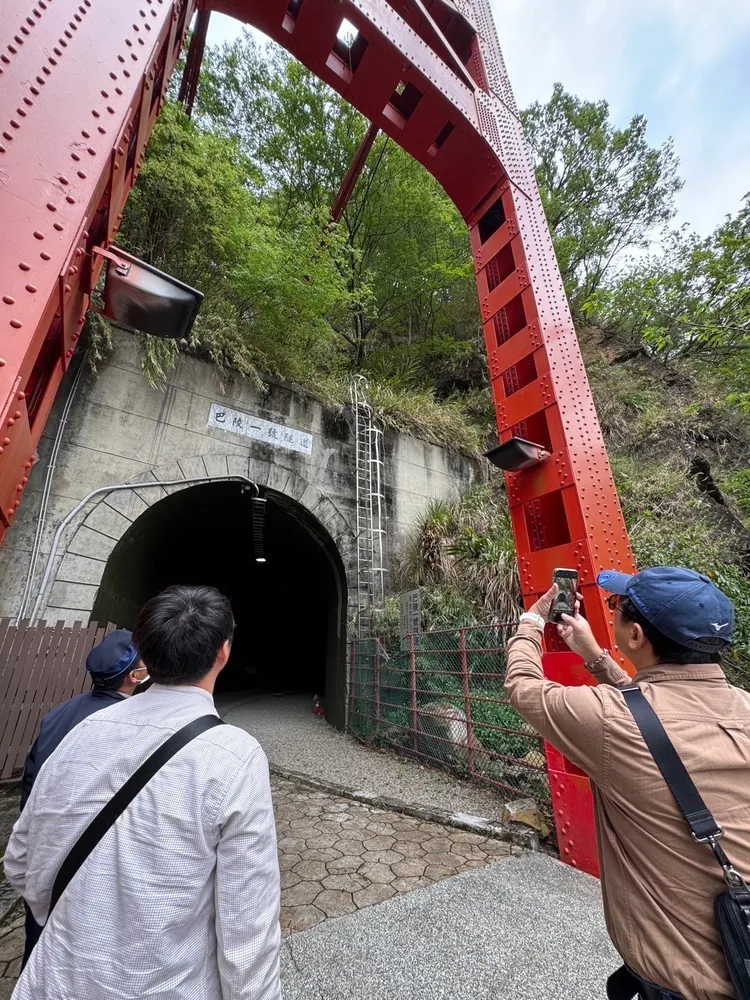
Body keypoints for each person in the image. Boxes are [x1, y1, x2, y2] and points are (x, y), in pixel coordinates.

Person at [5, 585, 281, 1000]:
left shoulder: (79, 734)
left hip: (53, 982)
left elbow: (19, 863)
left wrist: (77, 929)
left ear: (144, 657)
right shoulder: (234, 757)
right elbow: (247, 929)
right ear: (224, 653)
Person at [505, 566, 750, 1000]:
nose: (612, 610)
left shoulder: (609, 722)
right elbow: (651, 722)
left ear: (635, 636)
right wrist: (596, 656)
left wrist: (532, 621)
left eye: (617, 606)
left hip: (680, 986)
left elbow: (524, 687)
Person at [18, 629, 149, 968]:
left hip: (44, 849)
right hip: (89, 857)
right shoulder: (129, 723)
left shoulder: (60, 713)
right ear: (135, 676)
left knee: (39, 943)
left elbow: (31, 781)